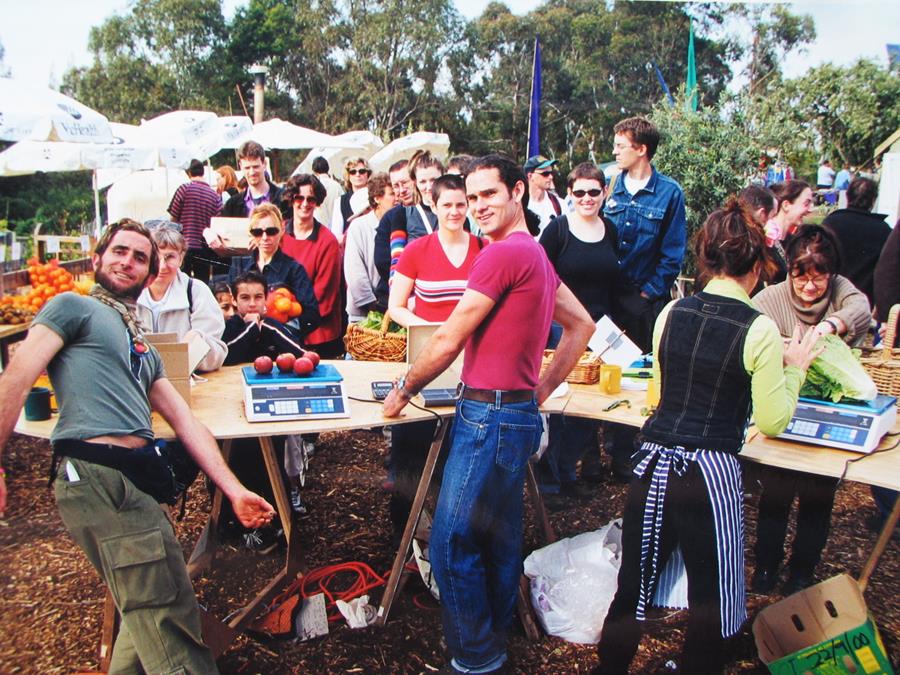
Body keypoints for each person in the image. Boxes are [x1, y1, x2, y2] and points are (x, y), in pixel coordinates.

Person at [0, 219, 275, 674]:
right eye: (119, 251)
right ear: (97, 258)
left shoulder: (140, 341)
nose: (128, 261)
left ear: (150, 274)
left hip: (137, 482)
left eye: (139, 257)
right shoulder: (71, 307)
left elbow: (186, 421)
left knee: (158, 605)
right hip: (99, 476)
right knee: (168, 620)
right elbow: (16, 377)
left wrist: (234, 490)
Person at [383, 154, 595, 675]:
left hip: (488, 416)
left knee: (453, 542)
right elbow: (583, 326)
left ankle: (476, 658)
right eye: (471, 198)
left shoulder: (500, 256)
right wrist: (537, 392)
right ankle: (495, 637)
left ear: (518, 192)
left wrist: (404, 388)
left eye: (488, 195)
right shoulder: (535, 256)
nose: (478, 207)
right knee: (498, 537)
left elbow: (451, 335)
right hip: (514, 413)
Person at [593, 199, 820, 675]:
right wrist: (794, 369)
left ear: (706, 260)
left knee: (633, 586)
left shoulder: (670, 313)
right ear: (758, 266)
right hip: (708, 475)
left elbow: (659, 392)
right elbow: (774, 420)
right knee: (712, 599)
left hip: (652, 466)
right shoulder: (758, 328)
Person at [751, 225, 872, 596]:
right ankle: (765, 568)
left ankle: (801, 573)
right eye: (800, 278)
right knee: (776, 495)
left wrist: (831, 326)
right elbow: (752, 321)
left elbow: (860, 308)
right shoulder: (771, 299)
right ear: (789, 271)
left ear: (831, 274)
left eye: (818, 279)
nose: (808, 287)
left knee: (818, 500)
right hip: (784, 411)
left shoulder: (841, 291)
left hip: (828, 419)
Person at [385, 174, 484, 532]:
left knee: (457, 443)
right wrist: (430, 330)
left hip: (471, 361)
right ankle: (403, 523)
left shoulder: (483, 248)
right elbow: (396, 305)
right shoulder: (417, 250)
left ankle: (449, 523)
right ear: (433, 205)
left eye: (462, 204)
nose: (455, 211)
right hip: (426, 355)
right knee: (411, 440)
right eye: (448, 204)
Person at [603, 116, 687, 482]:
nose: (615, 151)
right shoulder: (609, 187)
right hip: (606, 298)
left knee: (636, 378)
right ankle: (595, 455)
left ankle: (626, 455)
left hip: (642, 301)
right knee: (601, 370)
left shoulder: (670, 193)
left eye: (621, 146)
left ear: (641, 149)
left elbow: (673, 253)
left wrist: (646, 294)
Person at [536, 162, 619, 508]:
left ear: (604, 193)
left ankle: (570, 474)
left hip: (599, 331)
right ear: (569, 194)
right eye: (579, 192)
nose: (587, 198)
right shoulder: (557, 230)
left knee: (586, 410)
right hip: (562, 329)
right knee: (558, 406)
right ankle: (550, 480)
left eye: (593, 192)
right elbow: (540, 278)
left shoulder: (610, 230)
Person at [136, 219, 227, 373]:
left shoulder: (196, 292)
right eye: (156, 257)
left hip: (188, 383)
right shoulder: (130, 294)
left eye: (170, 257)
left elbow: (217, 355)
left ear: (181, 257)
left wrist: (197, 344)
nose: (162, 266)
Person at [227, 203, 321, 341]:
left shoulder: (294, 269)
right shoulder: (239, 265)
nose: (265, 237)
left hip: (280, 347)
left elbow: (312, 315)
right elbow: (229, 307)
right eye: (258, 232)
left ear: (282, 230)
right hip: (244, 342)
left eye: (271, 231)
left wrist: (279, 331)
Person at [280, 174, 343, 358]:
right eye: (299, 197)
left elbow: (324, 295)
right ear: (291, 199)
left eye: (311, 199)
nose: (305, 203)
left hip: (317, 335)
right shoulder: (278, 234)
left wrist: (291, 323)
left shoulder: (327, 241)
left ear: (317, 202)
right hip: (281, 329)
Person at [373, 153, 441, 307]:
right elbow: (390, 261)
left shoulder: (452, 212)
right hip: (410, 298)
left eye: (404, 183)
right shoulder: (397, 216)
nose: (428, 186)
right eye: (395, 185)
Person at [822, 177, 891, 306]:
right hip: (865, 302)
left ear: (847, 196)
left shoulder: (830, 223)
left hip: (831, 298)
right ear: (873, 199)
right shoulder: (883, 230)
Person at [344, 172, 396, 322]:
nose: (396, 198)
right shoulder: (359, 227)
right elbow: (355, 273)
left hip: (393, 313)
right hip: (364, 315)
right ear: (377, 198)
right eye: (391, 194)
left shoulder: (401, 224)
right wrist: (374, 306)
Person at [167, 158, 222, 283]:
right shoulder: (214, 196)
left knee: (181, 283)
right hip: (204, 248)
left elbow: (173, 219)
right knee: (201, 285)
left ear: (188, 173)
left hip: (184, 245)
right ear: (203, 172)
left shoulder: (183, 189)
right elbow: (217, 224)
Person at [765, 180, 815, 284]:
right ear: (786, 205)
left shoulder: (793, 241)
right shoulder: (765, 240)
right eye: (806, 203)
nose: (810, 210)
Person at [221, 141, 284, 218]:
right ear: (241, 167)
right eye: (247, 168)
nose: (252, 172)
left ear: (264, 164)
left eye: (255, 167)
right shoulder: (232, 205)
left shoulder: (283, 199)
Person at [330, 157, 371, 240]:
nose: (357, 174)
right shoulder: (340, 202)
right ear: (348, 176)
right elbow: (336, 235)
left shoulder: (376, 196)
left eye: (362, 171)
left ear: (368, 174)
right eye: (353, 172)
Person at [523, 154, 563, 236]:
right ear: (530, 176)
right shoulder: (518, 204)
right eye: (545, 174)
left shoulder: (560, 205)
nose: (551, 177)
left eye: (551, 173)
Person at [311, 156, 343, 228]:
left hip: (318, 226)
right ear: (327, 168)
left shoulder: (312, 187)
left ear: (314, 171)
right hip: (336, 225)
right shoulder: (337, 186)